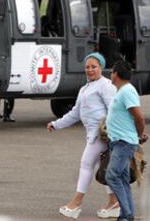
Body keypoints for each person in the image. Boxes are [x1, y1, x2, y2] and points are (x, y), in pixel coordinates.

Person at [46, 52, 120, 219]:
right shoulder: (85, 88)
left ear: (101, 67)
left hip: (102, 136)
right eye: (87, 67)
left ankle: (76, 203)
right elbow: (75, 113)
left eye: (94, 66)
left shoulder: (106, 85)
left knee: (86, 165)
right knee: (104, 169)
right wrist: (56, 124)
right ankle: (114, 203)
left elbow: (114, 111)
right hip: (93, 135)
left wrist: (112, 135)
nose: (90, 70)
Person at [105, 60, 146, 221]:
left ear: (116, 74)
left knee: (112, 176)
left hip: (124, 142)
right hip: (118, 141)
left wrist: (140, 134)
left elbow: (139, 116)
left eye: (112, 71)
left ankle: (127, 214)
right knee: (121, 178)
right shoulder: (121, 91)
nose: (110, 74)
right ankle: (126, 214)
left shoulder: (127, 91)